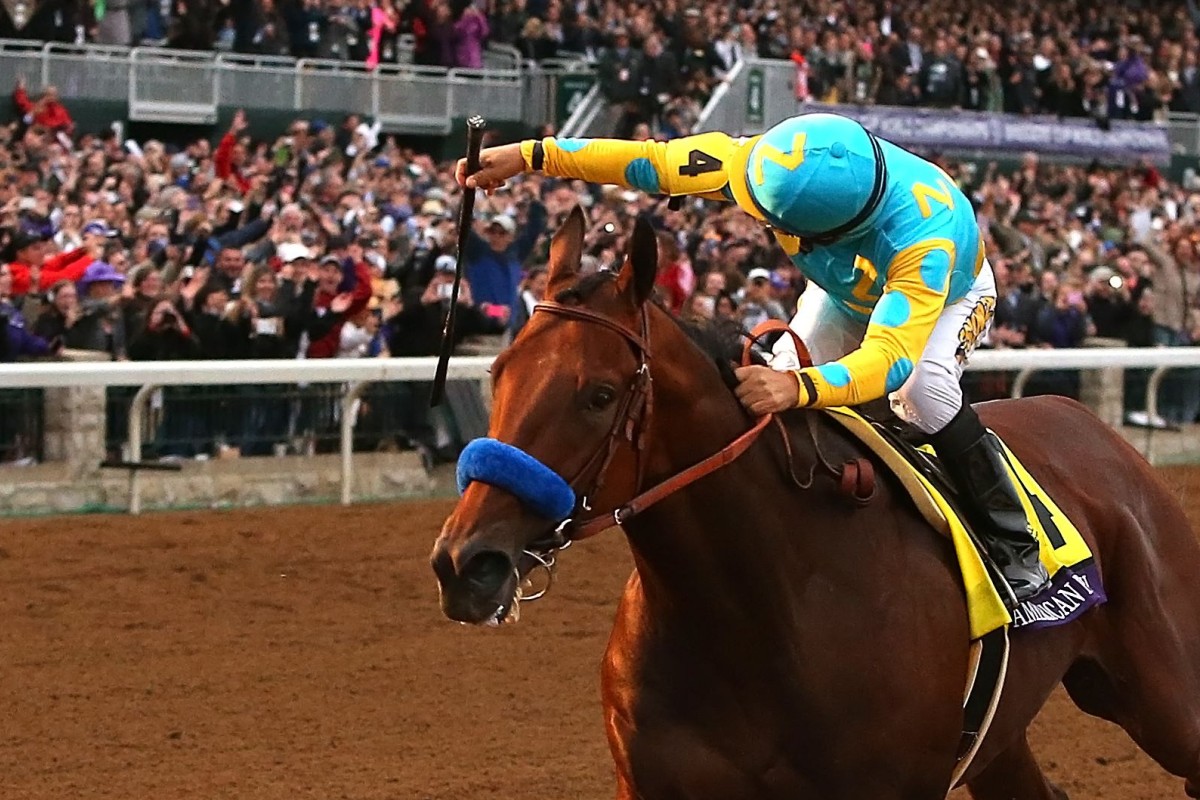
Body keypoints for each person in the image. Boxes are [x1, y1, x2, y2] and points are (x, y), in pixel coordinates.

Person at [456, 111, 1051, 603]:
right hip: (850, 286)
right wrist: (530, 155)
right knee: (780, 384)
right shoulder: (757, 163)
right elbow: (646, 159)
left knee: (921, 394)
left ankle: (1015, 536)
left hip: (949, 294)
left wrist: (802, 390)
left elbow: (890, 356)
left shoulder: (924, 236)